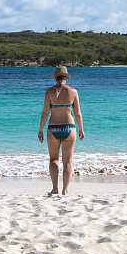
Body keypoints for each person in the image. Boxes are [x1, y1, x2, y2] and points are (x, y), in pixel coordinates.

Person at [37, 65, 84, 196]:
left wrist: (40, 130)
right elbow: (78, 113)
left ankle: (54, 188)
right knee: (68, 161)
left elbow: (45, 112)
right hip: (69, 127)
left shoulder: (49, 92)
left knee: (53, 160)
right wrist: (81, 129)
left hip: (53, 128)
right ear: (66, 78)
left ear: (55, 77)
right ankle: (65, 190)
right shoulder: (73, 92)